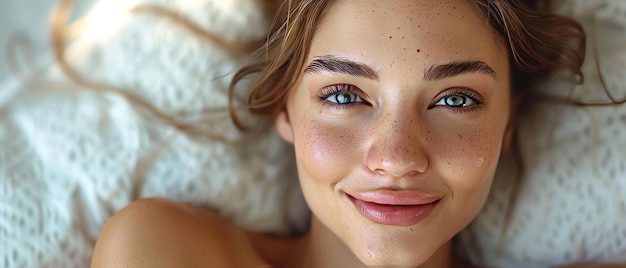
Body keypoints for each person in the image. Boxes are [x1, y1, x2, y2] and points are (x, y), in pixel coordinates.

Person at [90, 0, 618, 267]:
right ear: (284, 106)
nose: (396, 157)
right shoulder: (164, 251)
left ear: (508, 122)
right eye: (343, 95)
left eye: (456, 100)